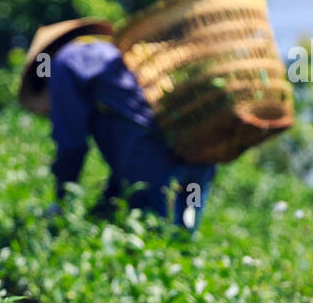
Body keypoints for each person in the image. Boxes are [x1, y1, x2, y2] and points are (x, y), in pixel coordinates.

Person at [18, 19, 217, 229]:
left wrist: (60, 202)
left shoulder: (63, 62)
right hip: (199, 155)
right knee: (181, 243)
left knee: (152, 240)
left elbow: (71, 146)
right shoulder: (118, 53)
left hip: (153, 161)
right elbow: (130, 118)